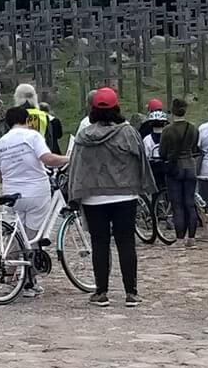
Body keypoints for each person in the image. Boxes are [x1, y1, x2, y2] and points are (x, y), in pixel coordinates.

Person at [65, 87, 152, 306]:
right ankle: (131, 293)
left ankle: (101, 292)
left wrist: (74, 193)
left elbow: (76, 166)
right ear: (117, 108)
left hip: (93, 197)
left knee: (99, 243)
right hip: (125, 195)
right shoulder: (128, 132)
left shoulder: (84, 136)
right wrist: (144, 185)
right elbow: (141, 159)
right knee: (126, 243)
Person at [0, 106, 69, 298]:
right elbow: (47, 158)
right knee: (32, 237)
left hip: (11, 193)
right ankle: (29, 281)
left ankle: (8, 274)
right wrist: (68, 158)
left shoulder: (0, 143)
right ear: (27, 120)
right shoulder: (33, 136)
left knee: (15, 235)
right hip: (35, 192)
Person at [157, 98, 203, 247]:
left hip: (175, 168)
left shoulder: (168, 130)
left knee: (177, 205)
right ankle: (192, 238)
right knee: (190, 204)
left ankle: (180, 239)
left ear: (172, 111)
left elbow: (162, 152)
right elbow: (195, 147)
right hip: (190, 166)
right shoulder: (193, 128)